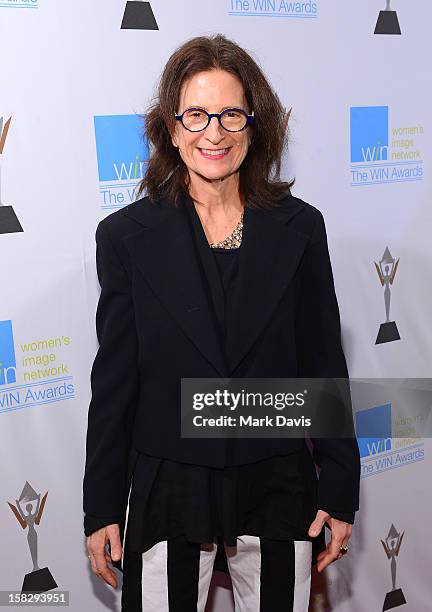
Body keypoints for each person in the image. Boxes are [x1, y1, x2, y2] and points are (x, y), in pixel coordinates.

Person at [83, 33, 360, 611]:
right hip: (169, 485)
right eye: (197, 114)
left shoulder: (301, 228)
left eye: (231, 113)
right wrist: (103, 506)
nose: (214, 132)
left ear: (255, 123)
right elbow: (114, 383)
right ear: (170, 124)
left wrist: (339, 487)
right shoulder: (125, 238)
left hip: (278, 481)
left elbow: (321, 364)